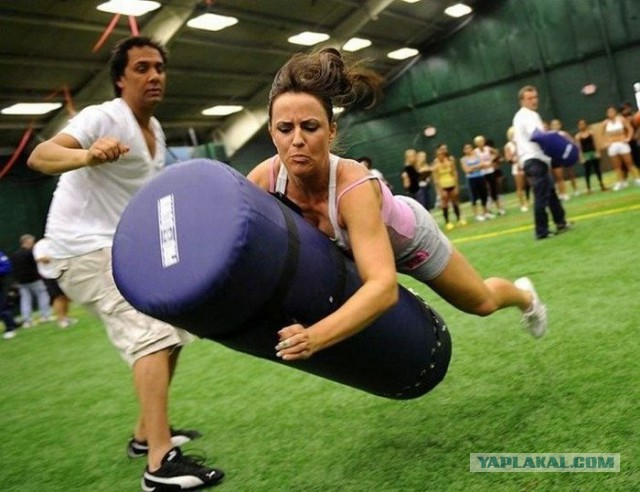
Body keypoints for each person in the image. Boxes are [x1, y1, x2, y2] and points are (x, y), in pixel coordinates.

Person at [247, 48, 547, 365]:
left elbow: (382, 287)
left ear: (331, 130)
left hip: (409, 240)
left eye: (310, 127)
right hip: (354, 250)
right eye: (284, 129)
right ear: (271, 133)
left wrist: (315, 337)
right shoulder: (265, 179)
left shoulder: (353, 187)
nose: (296, 140)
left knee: (481, 302)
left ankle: (526, 297)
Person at [27, 36, 223, 491]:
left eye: (159, 68)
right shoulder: (103, 116)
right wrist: (87, 154)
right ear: (120, 78)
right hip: (79, 250)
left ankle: (143, 436)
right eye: (141, 68)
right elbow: (40, 156)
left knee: (174, 329)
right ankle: (159, 465)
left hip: (119, 249)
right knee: (151, 336)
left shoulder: (154, 134)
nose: (154, 76)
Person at [513, 85, 571, 240]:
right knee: (541, 196)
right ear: (522, 100)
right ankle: (541, 231)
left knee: (550, 192)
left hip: (536, 160)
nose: (534, 100)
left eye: (535, 97)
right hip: (534, 160)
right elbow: (537, 135)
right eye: (530, 98)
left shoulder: (524, 115)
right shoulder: (527, 116)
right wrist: (557, 144)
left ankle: (560, 222)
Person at [33, 238, 77, 329]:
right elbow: (40, 258)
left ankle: (66, 317)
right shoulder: (41, 244)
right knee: (58, 297)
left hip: (61, 272)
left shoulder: (57, 241)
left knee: (65, 296)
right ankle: (61, 319)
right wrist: (54, 257)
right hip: (49, 275)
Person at [10, 234, 53, 327]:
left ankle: (27, 321)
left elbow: (13, 269)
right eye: (32, 242)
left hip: (21, 281)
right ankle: (45, 315)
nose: (33, 243)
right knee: (43, 295)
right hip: (34, 279)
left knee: (25, 300)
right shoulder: (31, 253)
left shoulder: (15, 254)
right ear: (27, 241)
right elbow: (39, 260)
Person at [600, 105, 640, 191]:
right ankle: (620, 182)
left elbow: (630, 129)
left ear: (615, 112)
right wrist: (606, 143)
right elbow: (601, 134)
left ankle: (637, 179)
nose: (611, 113)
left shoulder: (621, 119)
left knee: (629, 163)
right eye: (609, 112)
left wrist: (628, 138)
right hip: (613, 145)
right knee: (617, 166)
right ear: (607, 114)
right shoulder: (605, 123)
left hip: (622, 143)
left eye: (612, 111)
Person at [431, 143, 465, 230]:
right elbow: (436, 178)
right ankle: (447, 222)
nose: (441, 156)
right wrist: (439, 190)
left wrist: (456, 186)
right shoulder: (435, 163)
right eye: (439, 155)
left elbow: (454, 173)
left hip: (451, 184)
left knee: (454, 201)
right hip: (443, 186)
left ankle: (459, 219)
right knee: (445, 202)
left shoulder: (450, 161)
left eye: (442, 154)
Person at [460, 143, 491, 221]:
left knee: (483, 195)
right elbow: (467, 170)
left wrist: (473, 167)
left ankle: (486, 212)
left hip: (480, 177)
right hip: (471, 179)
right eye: (466, 148)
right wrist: (477, 167)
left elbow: (482, 165)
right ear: (464, 151)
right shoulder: (463, 159)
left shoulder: (477, 156)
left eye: (470, 148)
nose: (468, 150)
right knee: (474, 196)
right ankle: (476, 214)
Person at [474, 135, 505, 215]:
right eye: (478, 142)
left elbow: (496, 152)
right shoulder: (475, 151)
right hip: (482, 173)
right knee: (485, 191)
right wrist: (481, 165)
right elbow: (474, 161)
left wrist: (491, 160)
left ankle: (499, 208)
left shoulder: (488, 148)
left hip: (490, 171)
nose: (481, 143)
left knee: (494, 189)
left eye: (482, 141)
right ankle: (487, 210)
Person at [574, 119, 606, 193]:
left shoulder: (591, 133)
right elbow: (579, 147)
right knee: (587, 172)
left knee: (597, 170)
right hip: (586, 154)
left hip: (593, 152)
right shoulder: (578, 136)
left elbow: (595, 142)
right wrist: (581, 157)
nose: (582, 126)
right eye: (580, 124)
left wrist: (598, 152)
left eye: (583, 124)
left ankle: (602, 185)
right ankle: (588, 188)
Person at [549, 119, 579, 198]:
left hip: (566, 156)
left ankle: (575, 189)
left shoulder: (563, 134)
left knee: (571, 173)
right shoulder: (550, 135)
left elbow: (572, 142)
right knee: (559, 176)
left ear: (560, 125)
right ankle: (562, 193)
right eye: (553, 125)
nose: (555, 126)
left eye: (557, 124)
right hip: (556, 157)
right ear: (551, 126)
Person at [504, 127, 530, 211]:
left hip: (526, 164)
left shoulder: (523, 142)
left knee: (530, 183)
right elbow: (508, 158)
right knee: (520, 186)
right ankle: (522, 204)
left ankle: (529, 201)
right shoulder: (508, 145)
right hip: (516, 167)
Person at [0, 250, 19, 340]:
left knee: (4, 306)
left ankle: (10, 328)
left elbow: (7, 267)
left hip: (2, 283)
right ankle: (12, 324)